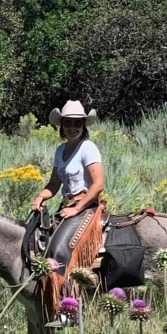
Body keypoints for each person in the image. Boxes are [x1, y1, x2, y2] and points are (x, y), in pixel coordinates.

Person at [30, 100, 105, 320]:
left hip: (87, 206)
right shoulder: (60, 150)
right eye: (69, 123)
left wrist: (77, 208)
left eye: (78, 123)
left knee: (62, 249)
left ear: (84, 125)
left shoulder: (88, 147)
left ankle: (70, 308)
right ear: (61, 126)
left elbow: (98, 184)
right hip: (67, 206)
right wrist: (40, 196)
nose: (73, 127)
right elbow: (54, 184)